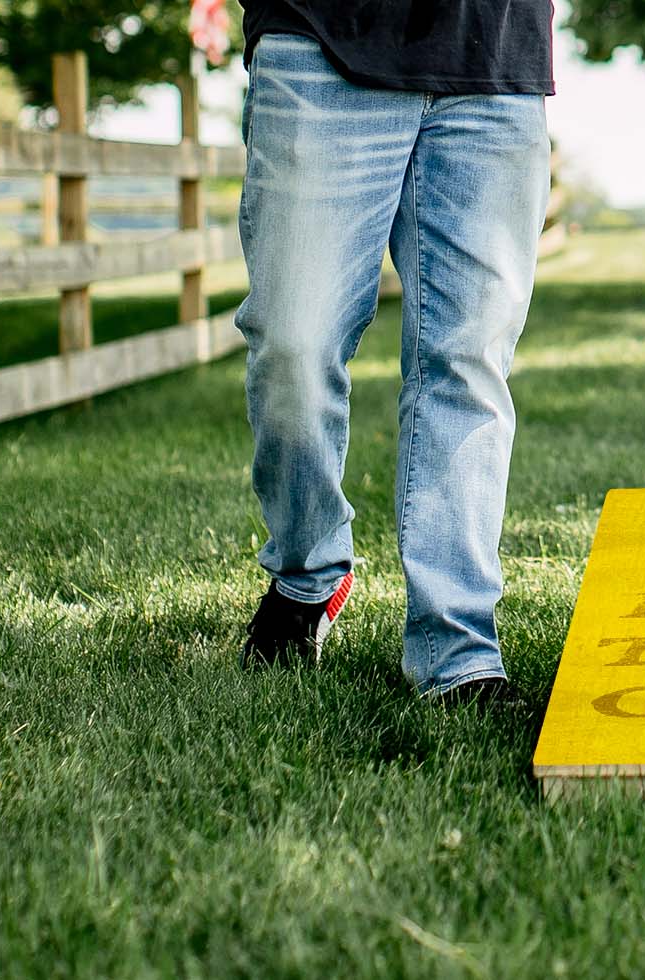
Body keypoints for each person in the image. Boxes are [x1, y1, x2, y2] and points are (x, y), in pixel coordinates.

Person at [231, 0, 553, 707]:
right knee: (293, 341)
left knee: (466, 362)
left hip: (493, 58)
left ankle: (456, 648)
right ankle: (307, 567)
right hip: (319, 38)